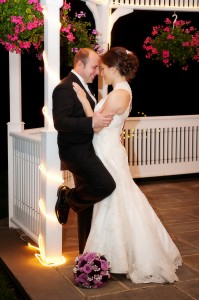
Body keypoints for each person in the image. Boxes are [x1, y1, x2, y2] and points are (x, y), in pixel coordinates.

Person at [72, 46, 183, 283]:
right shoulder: (120, 91)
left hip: (108, 152)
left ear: (113, 68)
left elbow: (98, 125)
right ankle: (108, 257)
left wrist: (83, 101)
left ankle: (113, 257)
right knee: (115, 198)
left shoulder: (119, 94)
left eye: (103, 68)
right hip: (106, 150)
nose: (101, 72)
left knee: (116, 198)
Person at [52, 48, 116, 254]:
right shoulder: (64, 88)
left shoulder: (81, 86)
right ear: (80, 64)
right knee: (106, 184)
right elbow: (60, 122)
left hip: (86, 149)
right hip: (76, 152)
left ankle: (85, 255)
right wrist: (91, 122)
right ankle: (68, 197)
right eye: (94, 67)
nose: (97, 71)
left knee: (86, 207)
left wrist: (94, 122)